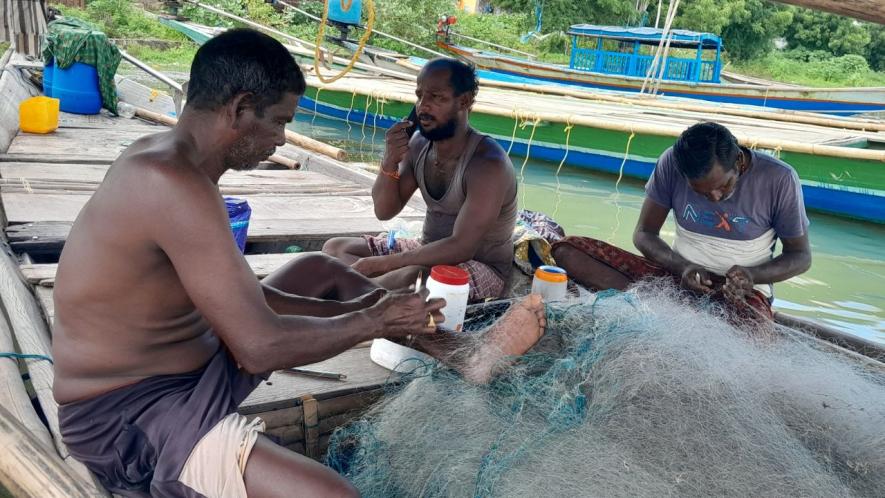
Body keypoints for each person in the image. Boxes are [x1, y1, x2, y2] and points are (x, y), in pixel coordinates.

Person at [51, 30, 545, 498]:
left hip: (185, 369)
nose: (283, 141)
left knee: (320, 269)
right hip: (129, 416)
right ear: (241, 110)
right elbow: (260, 347)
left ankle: (465, 355)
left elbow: (249, 299)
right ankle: (463, 353)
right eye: (281, 121)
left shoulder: (166, 160)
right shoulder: (172, 184)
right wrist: (374, 319)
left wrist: (383, 309)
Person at [553, 122, 812, 323]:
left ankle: (667, 307)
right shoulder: (671, 163)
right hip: (676, 277)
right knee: (568, 249)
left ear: (739, 162)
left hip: (740, 293)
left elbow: (800, 256)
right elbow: (644, 233)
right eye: (702, 192)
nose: (715, 198)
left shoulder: (780, 179)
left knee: (755, 333)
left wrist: (751, 276)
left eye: (724, 186)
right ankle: (678, 306)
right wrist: (684, 267)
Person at [323, 58, 518, 303]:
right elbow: (384, 210)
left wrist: (385, 263)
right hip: (426, 249)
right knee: (336, 248)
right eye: (420, 96)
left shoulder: (488, 164)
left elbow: (462, 247)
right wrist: (389, 161)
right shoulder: (419, 144)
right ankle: (359, 293)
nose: (423, 107)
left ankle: (347, 295)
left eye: (436, 98)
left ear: (464, 101)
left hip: (480, 267)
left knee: (413, 275)